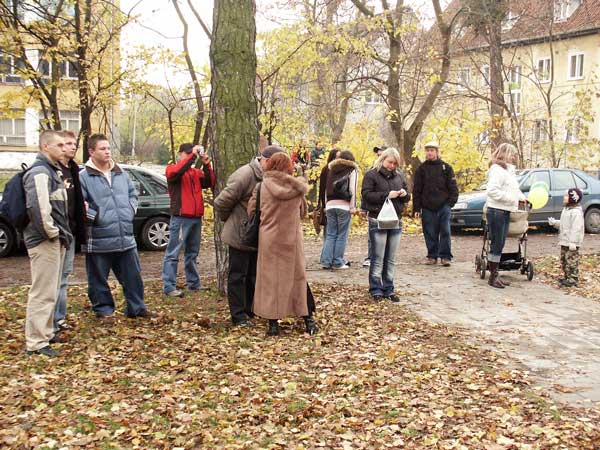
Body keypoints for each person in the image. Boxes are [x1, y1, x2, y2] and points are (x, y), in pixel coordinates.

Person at [79, 134, 154, 320]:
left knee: (133, 276)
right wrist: (96, 217)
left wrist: (130, 211)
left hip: (125, 237)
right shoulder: (83, 176)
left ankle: (136, 308)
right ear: (91, 151)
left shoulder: (120, 173)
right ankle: (104, 310)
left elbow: (132, 195)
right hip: (98, 238)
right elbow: (80, 205)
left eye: (108, 148)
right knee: (98, 280)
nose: (107, 152)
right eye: (102, 149)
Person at [247, 152, 317, 336]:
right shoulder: (297, 189)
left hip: (269, 240)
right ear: (288, 168)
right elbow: (303, 212)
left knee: (270, 281)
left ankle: (273, 325)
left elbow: (252, 211)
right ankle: (308, 320)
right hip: (291, 240)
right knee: (297, 279)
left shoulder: (262, 187)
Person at [214, 145, 284, 327]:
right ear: (266, 161)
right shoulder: (245, 174)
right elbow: (222, 201)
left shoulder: (265, 176)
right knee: (238, 276)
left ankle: (249, 310)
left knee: (252, 274)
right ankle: (238, 316)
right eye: (275, 164)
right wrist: (234, 221)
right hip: (240, 234)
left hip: (255, 236)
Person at [23, 130, 72, 357]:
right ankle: (36, 342)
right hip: (45, 241)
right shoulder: (40, 172)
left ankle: (46, 333)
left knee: (51, 290)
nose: (64, 149)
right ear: (45, 147)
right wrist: (53, 234)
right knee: (42, 291)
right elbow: (39, 209)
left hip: (55, 240)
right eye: (59, 145)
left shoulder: (52, 171)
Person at [162, 143, 215, 297]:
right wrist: (192, 155)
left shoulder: (195, 173)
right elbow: (177, 172)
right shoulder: (172, 169)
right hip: (180, 217)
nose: (189, 156)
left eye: (190, 153)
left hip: (195, 218)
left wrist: (207, 165)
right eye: (186, 153)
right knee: (173, 253)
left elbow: (210, 182)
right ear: (181, 154)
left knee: (192, 253)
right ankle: (169, 286)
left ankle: (193, 283)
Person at [361, 148, 410, 302]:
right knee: (378, 256)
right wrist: (386, 195)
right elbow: (366, 195)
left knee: (391, 257)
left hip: (395, 219)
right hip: (377, 219)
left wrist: (404, 194)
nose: (392, 166)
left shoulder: (399, 175)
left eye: (395, 163)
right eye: (390, 162)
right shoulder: (371, 174)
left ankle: (388, 288)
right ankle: (376, 288)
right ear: (383, 159)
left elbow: (407, 195)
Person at [53, 130, 86, 335]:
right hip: (54, 233)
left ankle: (59, 318)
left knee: (64, 277)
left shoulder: (73, 169)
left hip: (70, 232)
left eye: (74, 143)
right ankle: (49, 322)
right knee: (52, 280)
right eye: (67, 143)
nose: (72, 147)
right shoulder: (51, 171)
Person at [485, 143, 527, 289]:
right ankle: (493, 277)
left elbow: (513, 190)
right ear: (504, 153)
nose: (514, 157)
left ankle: (495, 274)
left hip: (504, 210)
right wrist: (511, 199)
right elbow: (492, 191)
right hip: (497, 210)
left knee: (500, 244)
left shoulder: (508, 171)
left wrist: (522, 198)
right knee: (496, 244)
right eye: (512, 154)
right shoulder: (497, 171)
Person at [412, 141, 459, 267]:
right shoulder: (421, 169)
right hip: (427, 206)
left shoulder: (446, 168)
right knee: (429, 232)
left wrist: (450, 203)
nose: (429, 153)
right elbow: (416, 190)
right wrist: (416, 208)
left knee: (445, 231)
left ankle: (445, 256)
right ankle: (432, 256)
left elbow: (453, 188)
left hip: (444, 205)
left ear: (437, 152)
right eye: (427, 150)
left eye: (432, 150)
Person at [319, 150, 358, 269]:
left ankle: (326, 261)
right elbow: (352, 189)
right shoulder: (352, 170)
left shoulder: (331, 169)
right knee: (341, 235)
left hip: (330, 205)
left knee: (330, 234)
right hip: (344, 206)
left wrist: (326, 205)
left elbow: (326, 189)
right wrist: (352, 206)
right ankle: (337, 262)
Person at [548, 188, 584, 288]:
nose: (564, 197)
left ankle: (573, 278)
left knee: (571, 260)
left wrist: (573, 242)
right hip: (564, 240)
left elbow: (576, 228)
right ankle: (567, 276)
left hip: (572, 242)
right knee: (564, 259)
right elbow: (564, 224)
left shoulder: (576, 212)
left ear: (573, 198)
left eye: (566, 196)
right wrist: (555, 223)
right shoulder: (566, 210)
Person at [363, 145, 387, 268]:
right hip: (374, 209)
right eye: (378, 155)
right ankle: (370, 257)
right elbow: (366, 192)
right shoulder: (371, 172)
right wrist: (364, 208)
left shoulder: (395, 172)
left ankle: (384, 258)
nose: (379, 157)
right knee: (372, 235)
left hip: (389, 210)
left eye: (381, 155)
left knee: (388, 235)